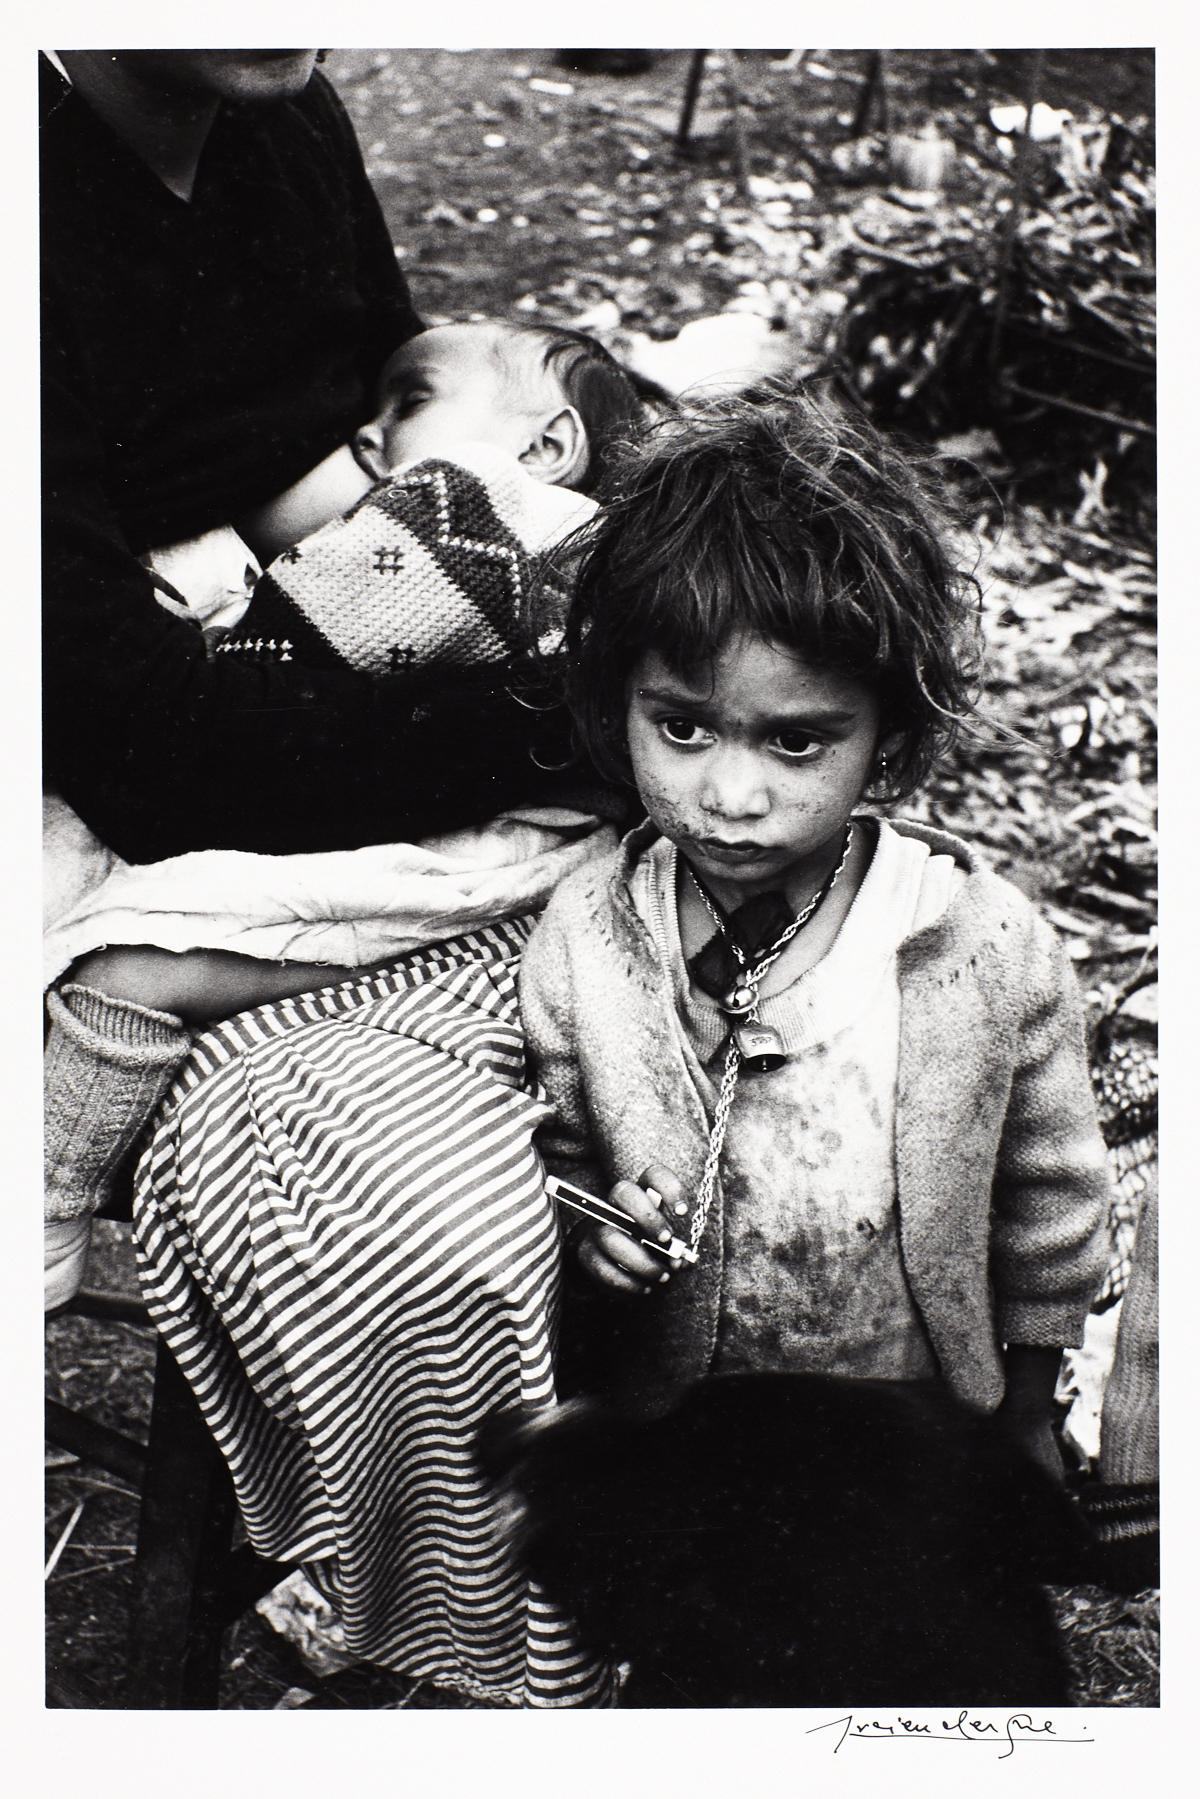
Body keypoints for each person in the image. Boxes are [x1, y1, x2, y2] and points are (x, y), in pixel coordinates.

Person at [43, 49, 617, 1704]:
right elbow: (139, 741)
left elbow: (390, 436)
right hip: (135, 802)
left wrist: (480, 583)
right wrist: (534, 721)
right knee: (418, 1221)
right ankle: (436, 1625)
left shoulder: (280, 110)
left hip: (325, 730)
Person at [519, 380, 1111, 1481]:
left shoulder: (975, 942)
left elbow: (1053, 1192)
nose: (732, 794)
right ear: (619, 700)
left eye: (797, 743)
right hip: (690, 1442)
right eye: (684, 726)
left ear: (889, 732)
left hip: (921, 1430)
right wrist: (600, 1236)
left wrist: (1028, 1407)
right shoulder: (589, 938)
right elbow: (558, 1157)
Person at [45, 318, 640, 1304]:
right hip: (525, 848)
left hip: (460, 846)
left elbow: (280, 651)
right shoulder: (605, 553)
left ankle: (48, 1202)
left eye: (408, 405)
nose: (366, 440)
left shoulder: (457, 505)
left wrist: (204, 627)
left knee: (129, 956)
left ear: (548, 444)